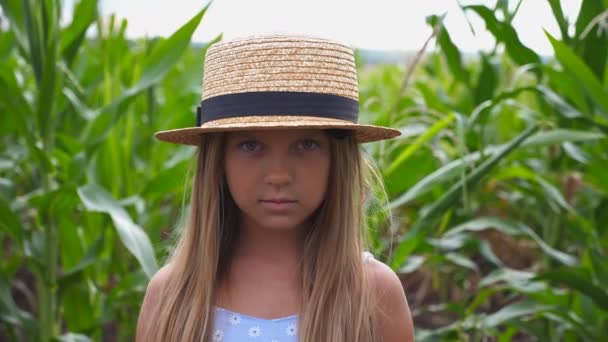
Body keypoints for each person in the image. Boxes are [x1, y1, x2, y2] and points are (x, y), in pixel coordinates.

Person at [136, 33, 414, 342]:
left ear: (338, 161)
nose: (279, 175)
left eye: (306, 144)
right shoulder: (171, 297)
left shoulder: (373, 294)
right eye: (251, 145)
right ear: (218, 161)